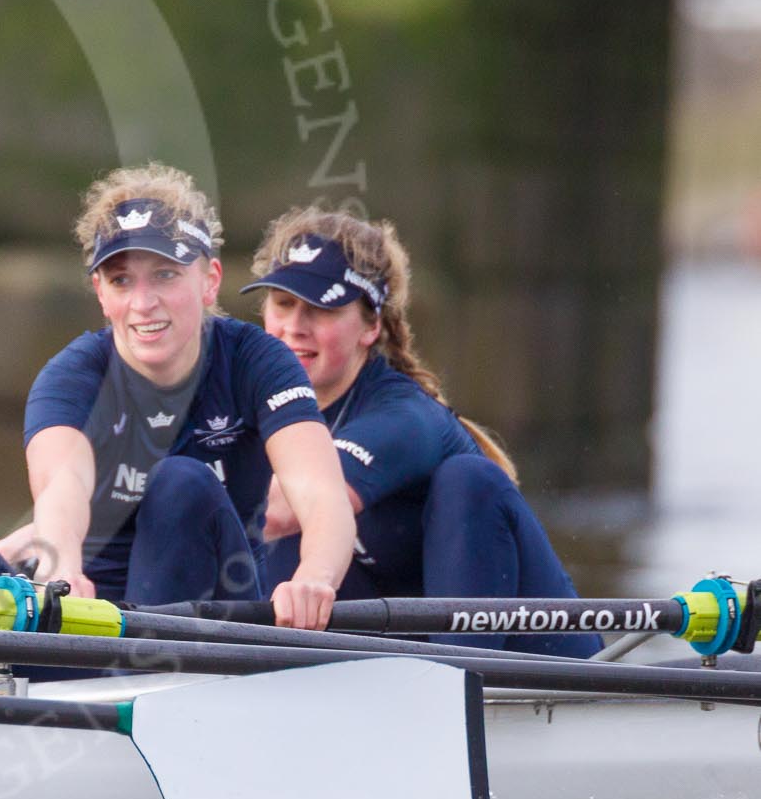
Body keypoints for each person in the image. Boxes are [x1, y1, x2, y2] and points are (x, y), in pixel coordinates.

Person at [0, 162, 356, 629]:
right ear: (100, 292)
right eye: (122, 281)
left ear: (210, 281)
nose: (143, 303)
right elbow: (61, 488)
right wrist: (64, 573)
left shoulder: (259, 361)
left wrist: (314, 577)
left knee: (180, 480)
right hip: (87, 617)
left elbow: (320, 495)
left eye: (165, 275)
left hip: (206, 623)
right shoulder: (73, 375)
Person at [245, 207, 603, 656]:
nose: (294, 327)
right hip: (403, 670)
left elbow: (275, 511)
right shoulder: (257, 415)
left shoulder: (405, 417)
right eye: (283, 304)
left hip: (544, 668)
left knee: (466, 480)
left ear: (371, 325)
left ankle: (456, 689)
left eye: (320, 308)